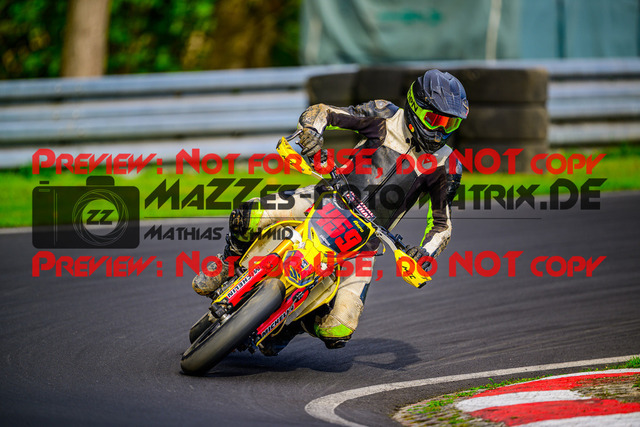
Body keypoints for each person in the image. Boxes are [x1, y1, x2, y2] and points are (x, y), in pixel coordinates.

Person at [191, 69, 469, 354]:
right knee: (247, 214)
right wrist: (312, 133)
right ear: (414, 106)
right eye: (435, 119)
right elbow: (324, 112)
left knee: (339, 329)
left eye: (451, 124)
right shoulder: (384, 114)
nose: (441, 131)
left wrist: (424, 253)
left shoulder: (447, 165)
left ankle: (293, 324)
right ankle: (228, 263)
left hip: (366, 242)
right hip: (325, 198)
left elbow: (442, 225)